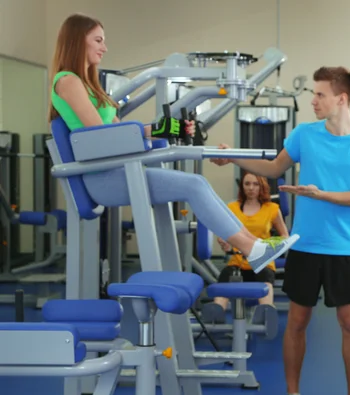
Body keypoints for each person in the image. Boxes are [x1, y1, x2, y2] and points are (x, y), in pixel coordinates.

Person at [48, 13, 299, 273]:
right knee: (193, 184)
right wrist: (149, 131)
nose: (105, 47)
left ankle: (254, 246)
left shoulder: (88, 86)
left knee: (197, 183)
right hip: (101, 179)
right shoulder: (68, 81)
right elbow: (101, 135)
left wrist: (165, 129)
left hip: (116, 170)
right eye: (98, 40)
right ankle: (252, 249)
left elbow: (114, 132)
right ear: (78, 41)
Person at [211, 66, 350, 395]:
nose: (314, 101)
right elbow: (275, 169)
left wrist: (319, 194)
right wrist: (233, 157)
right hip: (304, 246)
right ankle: (292, 394)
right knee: (297, 322)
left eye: (320, 94)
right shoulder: (305, 134)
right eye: (313, 94)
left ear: (341, 98)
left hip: (345, 247)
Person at [206, 171, 289, 320]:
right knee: (226, 276)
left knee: (266, 279)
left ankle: (266, 312)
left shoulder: (272, 209)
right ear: (242, 187)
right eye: (247, 184)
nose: (251, 188)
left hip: (262, 262)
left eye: (255, 184)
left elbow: (284, 236)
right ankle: (216, 314)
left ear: (261, 186)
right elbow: (224, 233)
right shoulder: (232, 208)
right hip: (238, 261)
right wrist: (224, 241)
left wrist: (268, 246)